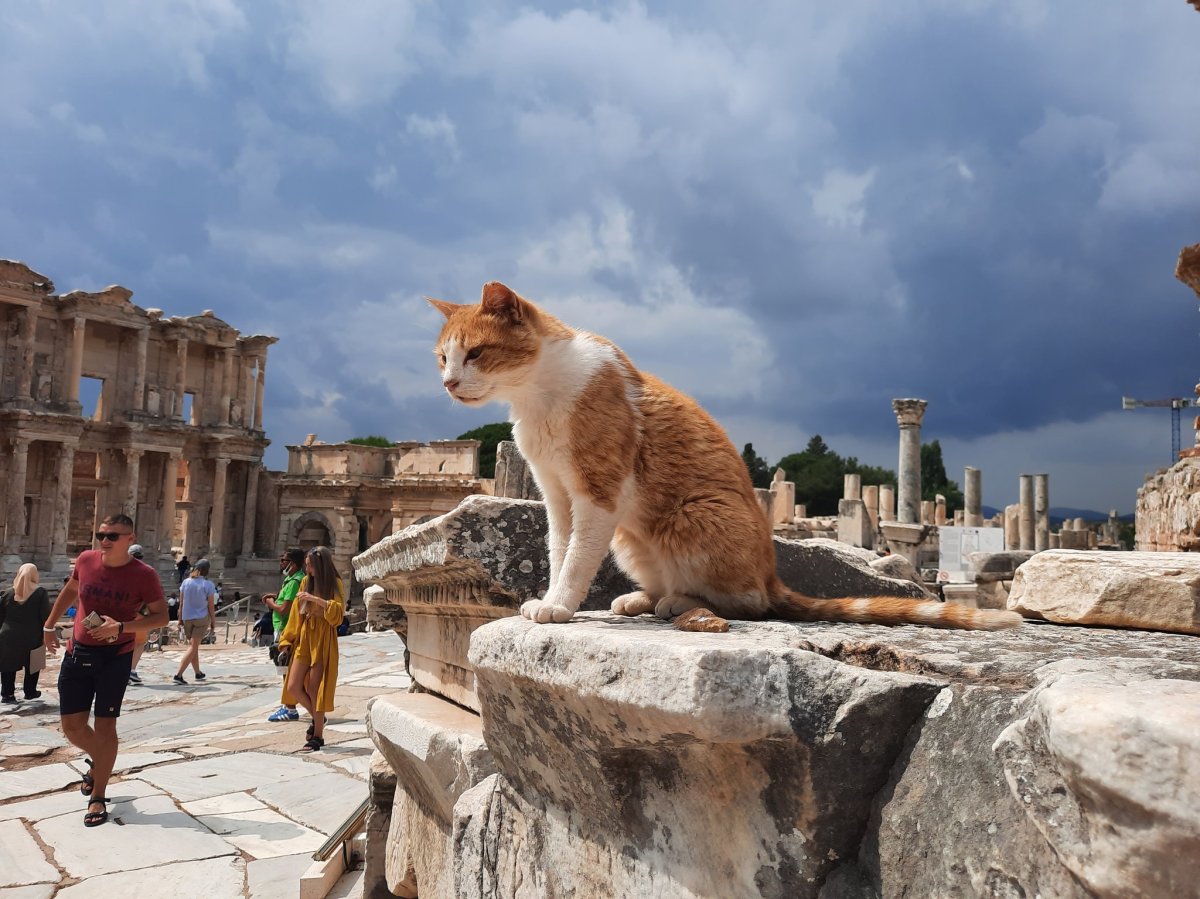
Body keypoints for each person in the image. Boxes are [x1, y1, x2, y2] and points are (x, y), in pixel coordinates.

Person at [43, 514, 168, 827]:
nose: (105, 541)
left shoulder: (144, 574)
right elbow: (71, 589)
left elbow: (161, 616)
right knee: (71, 727)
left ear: (129, 538)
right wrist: (48, 624)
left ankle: (97, 795)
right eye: (101, 535)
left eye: (112, 535)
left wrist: (122, 626)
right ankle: (102, 761)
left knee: (105, 727)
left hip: (115, 656)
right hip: (79, 652)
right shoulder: (86, 561)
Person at [276, 546, 344, 751]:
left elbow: (338, 614)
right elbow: (297, 614)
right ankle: (318, 718)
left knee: (315, 688)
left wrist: (315, 599)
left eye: (309, 566)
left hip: (323, 636)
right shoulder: (306, 582)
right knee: (293, 686)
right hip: (305, 636)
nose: (307, 570)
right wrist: (287, 641)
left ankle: (318, 737)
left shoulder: (335, 584)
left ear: (319, 565)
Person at [263, 549, 305, 722]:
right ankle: (287, 703)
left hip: (285, 628)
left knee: (285, 667)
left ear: (293, 564)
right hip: (282, 627)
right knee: (283, 666)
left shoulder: (295, 581)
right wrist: (275, 596)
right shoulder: (291, 579)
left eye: (283, 560)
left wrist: (270, 602)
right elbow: (286, 599)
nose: (281, 563)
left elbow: (283, 609)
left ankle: (290, 707)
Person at [1, 563, 52, 704]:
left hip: (8, 635)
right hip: (33, 635)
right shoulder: (40, 592)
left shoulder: (7, 592)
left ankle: (7, 694)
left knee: (7, 665)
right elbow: (45, 615)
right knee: (33, 664)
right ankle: (30, 692)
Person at [173, 559, 216, 685]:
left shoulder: (185, 582)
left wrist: (180, 619)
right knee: (193, 646)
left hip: (187, 618)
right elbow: (210, 606)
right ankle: (178, 674)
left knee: (193, 646)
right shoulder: (208, 585)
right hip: (201, 618)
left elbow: (181, 603)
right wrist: (213, 621)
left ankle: (198, 673)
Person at [126, 545, 147, 685]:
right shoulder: (146, 572)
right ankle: (131, 670)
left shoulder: (119, 570)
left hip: (121, 612)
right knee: (139, 643)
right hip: (139, 613)